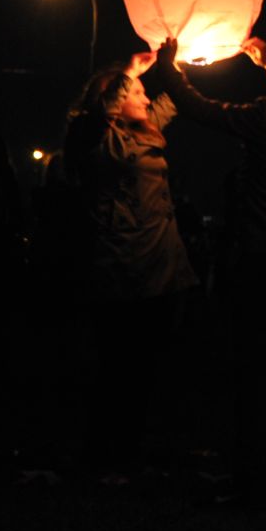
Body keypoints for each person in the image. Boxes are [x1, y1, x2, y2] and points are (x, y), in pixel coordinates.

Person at [153, 36, 266, 505]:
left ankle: (256, 475)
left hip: (264, 257)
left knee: (257, 370)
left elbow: (199, 108)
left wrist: (170, 67)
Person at [62, 53, 200, 482]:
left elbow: (171, 100)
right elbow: (97, 117)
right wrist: (129, 72)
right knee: (118, 366)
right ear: (114, 100)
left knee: (148, 366)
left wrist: (184, 63)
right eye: (135, 92)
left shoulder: (146, 134)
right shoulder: (98, 141)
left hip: (161, 263)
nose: (144, 95)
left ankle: (135, 450)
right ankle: (105, 455)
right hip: (121, 264)